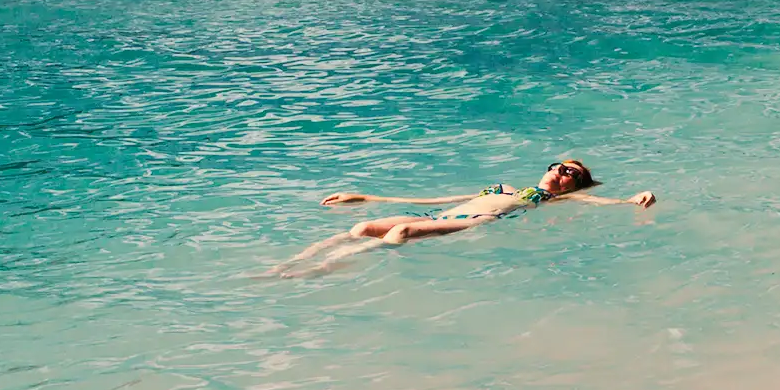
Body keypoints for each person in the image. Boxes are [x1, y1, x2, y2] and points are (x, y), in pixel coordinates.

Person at [274, 159, 656, 274]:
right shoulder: (503, 187)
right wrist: (367, 197)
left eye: (571, 172)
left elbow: (602, 203)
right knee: (362, 227)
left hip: (472, 223)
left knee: (404, 231)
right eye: (558, 164)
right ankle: (295, 261)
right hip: (442, 213)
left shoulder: (553, 201)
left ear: (575, 186)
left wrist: (632, 199)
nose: (561, 171)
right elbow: (443, 197)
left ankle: (321, 270)